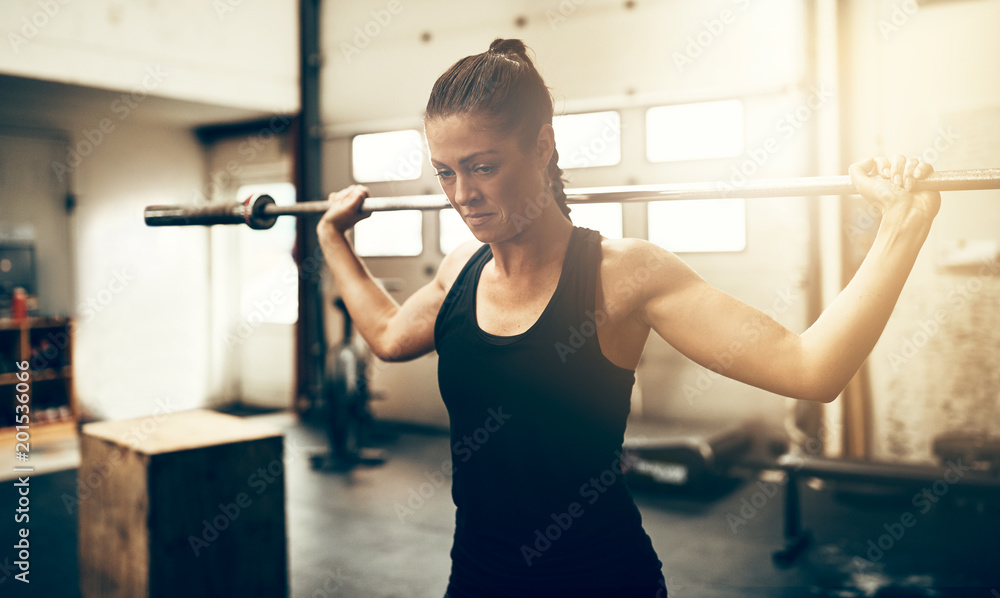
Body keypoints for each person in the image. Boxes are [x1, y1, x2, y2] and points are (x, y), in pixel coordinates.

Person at [317, 38, 940, 598]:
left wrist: (902, 227)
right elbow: (390, 337)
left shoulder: (624, 275)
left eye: (483, 167)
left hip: (601, 578)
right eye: (445, 172)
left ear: (542, 146)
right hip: (478, 576)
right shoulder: (462, 270)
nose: (461, 195)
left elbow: (811, 369)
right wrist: (332, 238)